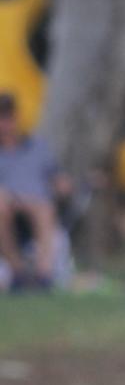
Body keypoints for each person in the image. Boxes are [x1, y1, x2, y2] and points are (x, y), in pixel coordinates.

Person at [0, 91, 71, 290]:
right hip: (8, 202)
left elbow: (57, 176)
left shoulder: (37, 146)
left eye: (7, 117)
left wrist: (64, 185)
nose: (4, 124)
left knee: (44, 209)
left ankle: (43, 275)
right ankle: (18, 273)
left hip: (37, 202)